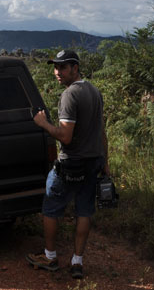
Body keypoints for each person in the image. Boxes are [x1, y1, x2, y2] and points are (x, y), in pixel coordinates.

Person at [27, 49, 109, 279]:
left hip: (70, 164)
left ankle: (50, 257)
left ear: (75, 68)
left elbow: (65, 137)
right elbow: (101, 131)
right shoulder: (94, 91)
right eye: (56, 67)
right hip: (93, 162)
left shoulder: (70, 95)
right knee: (85, 211)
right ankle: (77, 262)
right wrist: (106, 161)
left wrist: (43, 123)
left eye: (63, 67)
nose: (57, 72)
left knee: (51, 209)